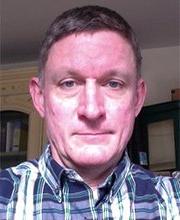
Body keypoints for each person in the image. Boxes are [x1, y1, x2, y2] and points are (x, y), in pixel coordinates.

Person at [0, 5, 179, 220]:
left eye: (113, 84)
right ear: (40, 98)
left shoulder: (173, 199)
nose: (92, 110)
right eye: (68, 84)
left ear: (137, 99)